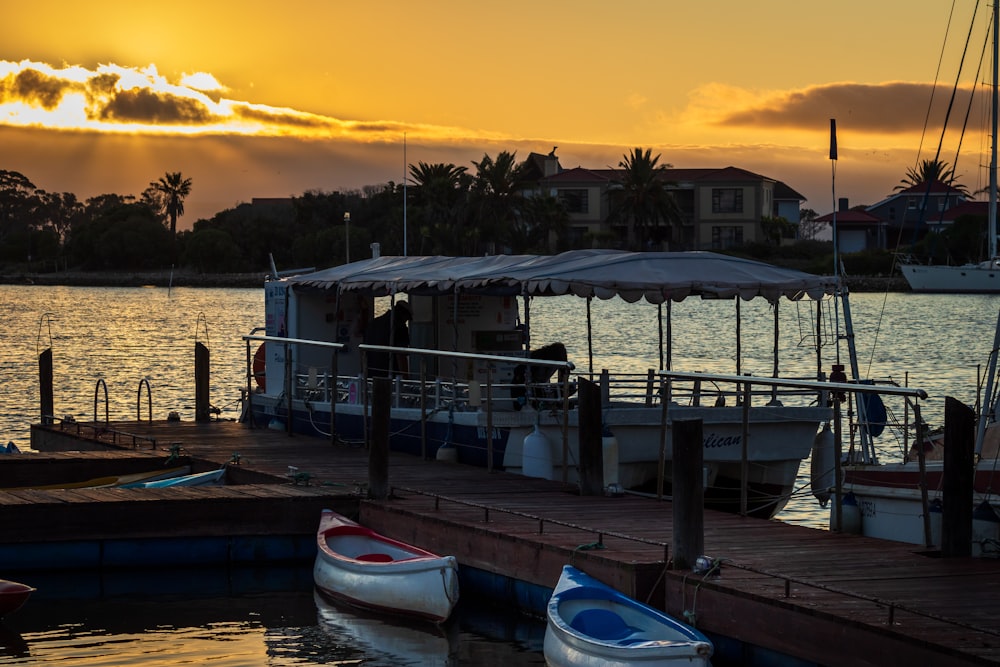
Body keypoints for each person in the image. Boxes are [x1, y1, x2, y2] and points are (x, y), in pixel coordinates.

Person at [363, 301, 411, 377]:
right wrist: (406, 378)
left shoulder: (373, 323)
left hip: (371, 371)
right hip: (390, 373)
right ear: (404, 315)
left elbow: (364, 351)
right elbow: (401, 355)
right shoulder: (400, 327)